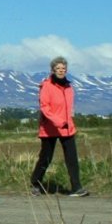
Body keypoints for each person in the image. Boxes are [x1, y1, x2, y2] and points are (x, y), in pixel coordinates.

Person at [31, 57, 89, 197]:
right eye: (58, 68)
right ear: (53, 70)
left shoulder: (69, 87)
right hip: (50, 128)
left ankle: (76, 187)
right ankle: (35, 183)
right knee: (46, 158)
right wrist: (57, 121)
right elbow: (45, 107)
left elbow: (69, 108)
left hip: (67, 128)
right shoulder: (46, 86)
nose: (61, 71)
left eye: (63, 68)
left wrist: (69, 121)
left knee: (72, 158)